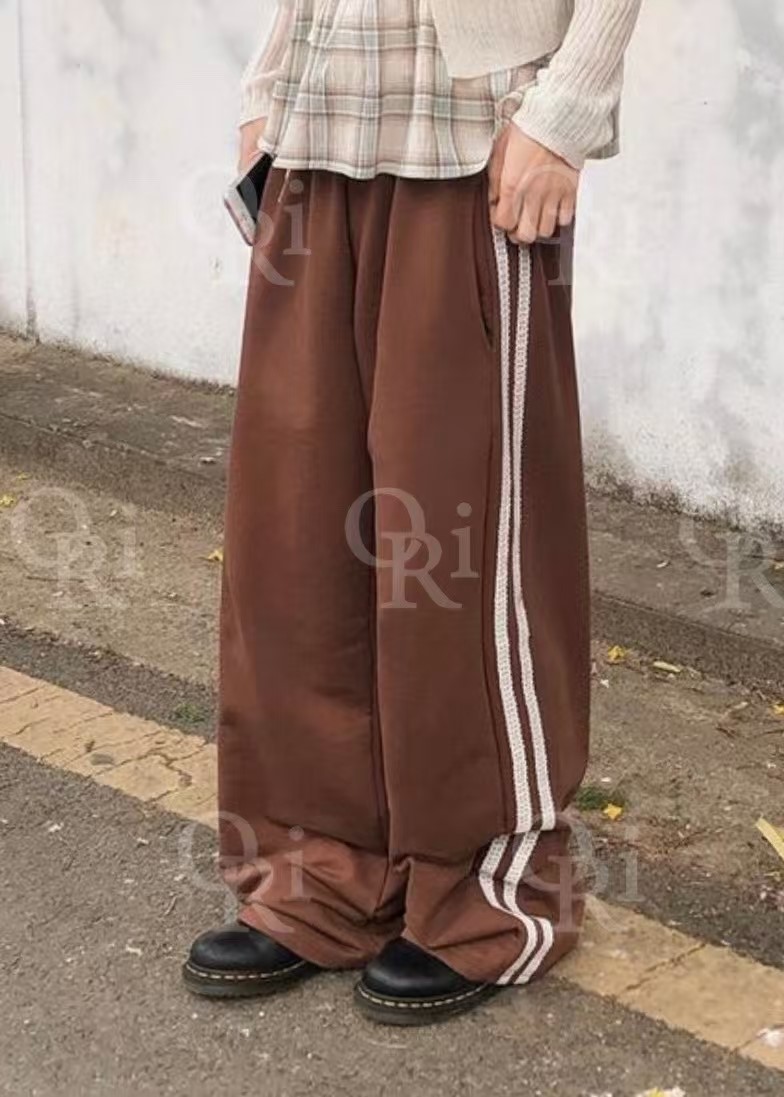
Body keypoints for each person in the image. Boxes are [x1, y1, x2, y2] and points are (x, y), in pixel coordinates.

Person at [183, 0, 641, 1025]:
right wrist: (267, 90)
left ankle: (485, 891)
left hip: (472, 135)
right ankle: (324, 874)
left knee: (460, 542)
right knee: (297, 545)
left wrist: (564, 111)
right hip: (317, 131)